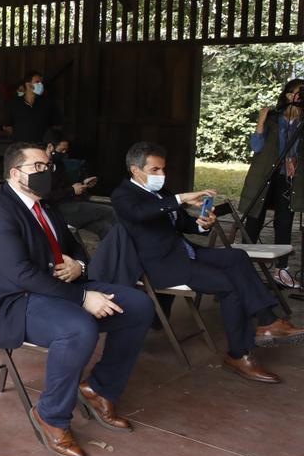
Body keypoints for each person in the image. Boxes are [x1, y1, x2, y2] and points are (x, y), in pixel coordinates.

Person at [0, 143, 154, 456]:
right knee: (79, 328)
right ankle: (51, 415)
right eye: (39, 167)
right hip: (16, 303)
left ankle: (99, 390)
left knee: (138, 305)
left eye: (49, 166)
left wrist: (78, 267)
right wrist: (84, 297)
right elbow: (21, 274)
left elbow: (76, 247)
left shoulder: (45, 205)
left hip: (58, 288)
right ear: (16, 174)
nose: (48, 172)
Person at [112, 141, 304, 383]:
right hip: (161, 266)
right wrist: (181, 198)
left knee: (237, 256)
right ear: (134, 170)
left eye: (163, 169)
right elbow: (141, 213)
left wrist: (202, 224)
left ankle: (267, 321)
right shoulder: (123, 195)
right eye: (155, 170)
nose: (162, 175)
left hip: (183, 252)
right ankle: (239, 354)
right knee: (228, 285)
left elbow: (182, 224)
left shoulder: (164, 193)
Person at [239, 78, 304, 289]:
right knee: (254, 219)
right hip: (264, 176)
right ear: (286, 95)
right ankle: (242, 267)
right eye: (293, 93)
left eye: (300, 94)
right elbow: (256, 146)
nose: (296, 97)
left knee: (284, 222)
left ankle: (281, 269)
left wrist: (295, 161)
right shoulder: (273, 119)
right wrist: (261, 120)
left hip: (289, 179)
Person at [43, 136, 114, 241]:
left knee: (105, 228)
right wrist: (72, 190)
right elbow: (45, 195)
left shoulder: (59, 164)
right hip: (57, 209)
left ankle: (112, 255)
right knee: (110, 211)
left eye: (66, 150)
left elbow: (64, 186)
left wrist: (82, 184)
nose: (64, 153)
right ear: (50, 147)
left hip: (69, 205)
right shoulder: (41, 169)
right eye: (61, 150)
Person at [3, 70, 61, 143]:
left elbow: (56, 125)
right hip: (20, 146)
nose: (40, 85)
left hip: (41, 146)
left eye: (41, 83)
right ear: (28, 84)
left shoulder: (48, 103)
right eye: (37, 82)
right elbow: (7, 126)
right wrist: (20, 137)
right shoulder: (14, 103)